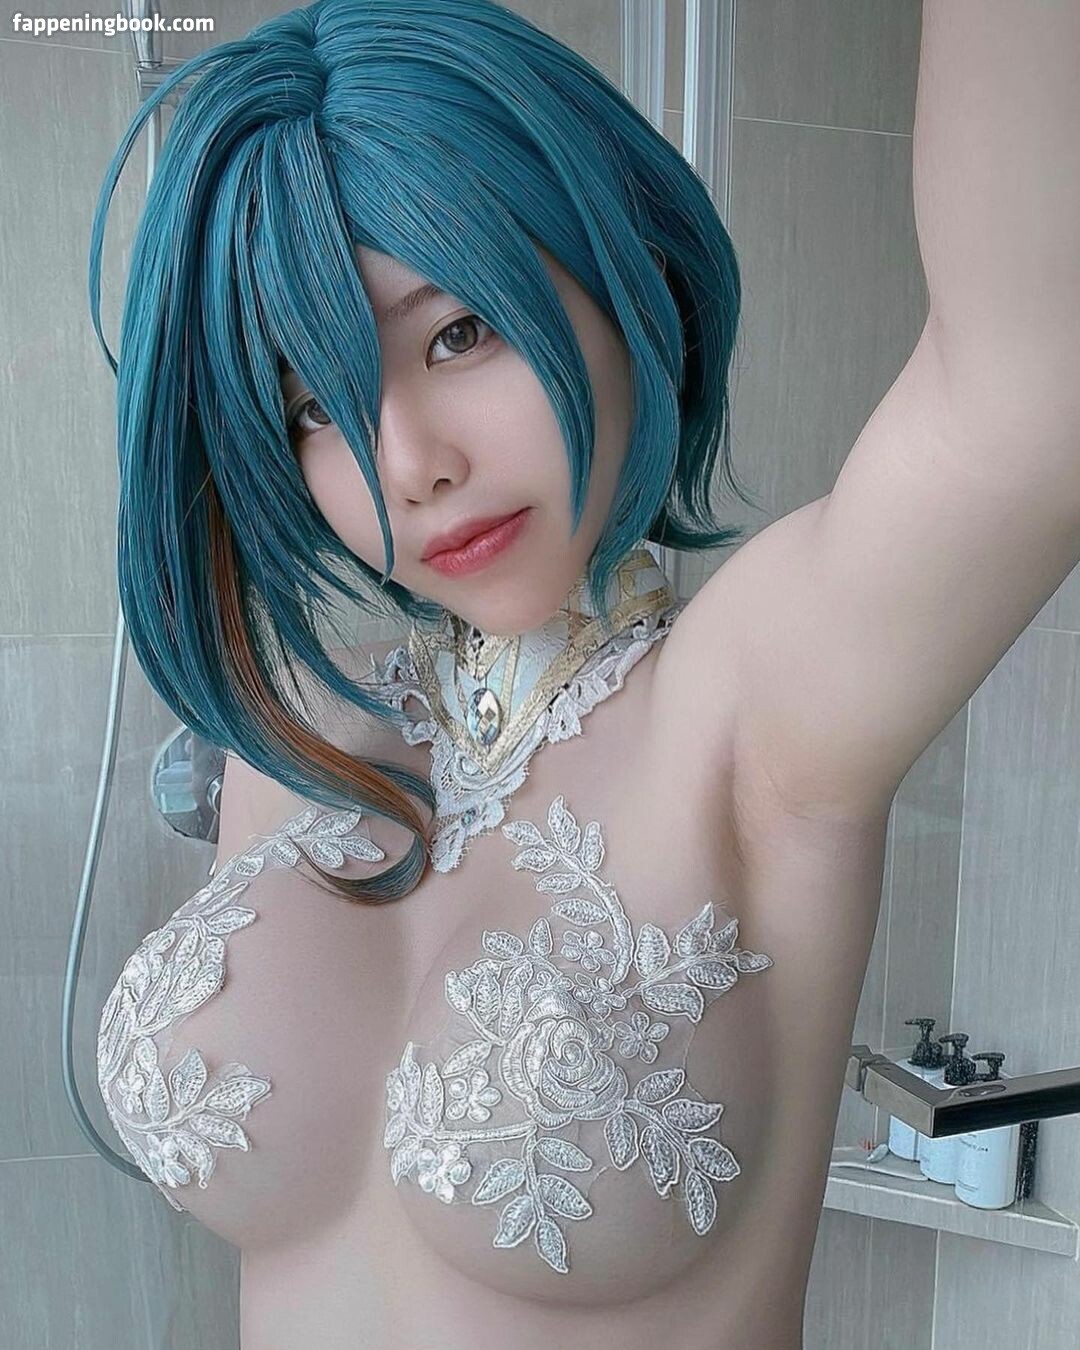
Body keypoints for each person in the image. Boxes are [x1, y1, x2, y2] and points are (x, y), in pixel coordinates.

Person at [89, 2, 1080, 1346]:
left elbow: (1032, 399)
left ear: (622, 281)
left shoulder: (749, 701)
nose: (410, 464)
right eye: (317, 404)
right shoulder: (312, 731)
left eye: (457, 333)